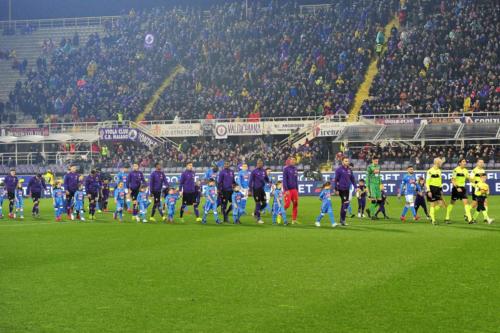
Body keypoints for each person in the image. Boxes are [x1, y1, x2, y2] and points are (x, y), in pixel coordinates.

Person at [446, 158, 472, 223]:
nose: (465, 163)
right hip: (456, 188)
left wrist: (476, 181)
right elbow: (453, 180)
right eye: (463, 161)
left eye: (465, 161)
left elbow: (469, 178)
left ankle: (470, 219)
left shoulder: (466, 170)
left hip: (463, 188)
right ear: (459, 163)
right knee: (452, 203)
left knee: (466, 203)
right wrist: (457, 187)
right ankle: (447, 218)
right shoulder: (455, 170)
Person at [333, 157, 356, 226]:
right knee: (345, 203)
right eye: (345, 161)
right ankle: (342, 220)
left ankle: (341, 220)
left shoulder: (349, 170)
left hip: (347, 189)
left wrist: (356, 187)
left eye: (348, 161)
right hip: (341, 189)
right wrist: (336, 189)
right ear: (342, 162)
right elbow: (336, 180)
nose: (347, 162)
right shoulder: (339, 170)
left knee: (344, 204)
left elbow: (352, 179)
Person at [426, 158, 447, 225]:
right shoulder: (430, 171)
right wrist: (429, 191)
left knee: (441, 204)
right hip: (431, 189)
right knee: (432, 204)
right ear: (437, 163)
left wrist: (441, 190)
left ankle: (430, 214)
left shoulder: (439, 171)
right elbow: (427, 182)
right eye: (440, 162)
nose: (441, 163)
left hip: (438, 189)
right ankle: (433, 220)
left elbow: (440, 181)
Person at [249, 159, 269, 224]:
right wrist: (250, 190)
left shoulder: (263, 171)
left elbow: (266, 178)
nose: (259, 164)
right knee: (258, 204)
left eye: (260, 163)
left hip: (262, 190)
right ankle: (258, 219)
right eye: (258, 163)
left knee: (264, 204)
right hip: (256, 190)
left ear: (262, 164)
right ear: (256, 164)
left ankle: (255, 212)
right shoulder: (254, 171)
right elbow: (250, 181)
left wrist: (270, 182)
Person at [283, 156, 299, 224]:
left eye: (294, 160)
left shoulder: (295, 169)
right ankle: (280, 214)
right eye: (291, 160)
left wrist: (297, 189)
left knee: (295, 204)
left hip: (294, 189)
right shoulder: (286, 169)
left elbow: (296, 180)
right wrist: (286, 189)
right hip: (288, 190)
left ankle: (294, 220)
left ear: (295, 161)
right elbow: (284, 180)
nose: (292, 161)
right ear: (289, 161)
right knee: (287, 204)